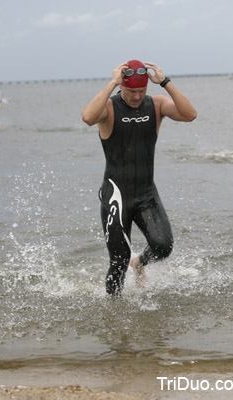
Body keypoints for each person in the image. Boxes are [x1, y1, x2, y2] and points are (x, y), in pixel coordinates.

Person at [82, 60, 197, 295]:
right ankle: (114, 315)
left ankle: (140, 263)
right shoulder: (109, 108)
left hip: (146, 193)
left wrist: (165, 82)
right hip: (116, 196)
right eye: (131, 91)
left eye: (141, 91)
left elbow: (190, 115)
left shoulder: (156, 105)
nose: (136, 97)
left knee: (163, 247)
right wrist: (111, 82)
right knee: (118, 261)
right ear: (121, 86)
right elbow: (87, 116)